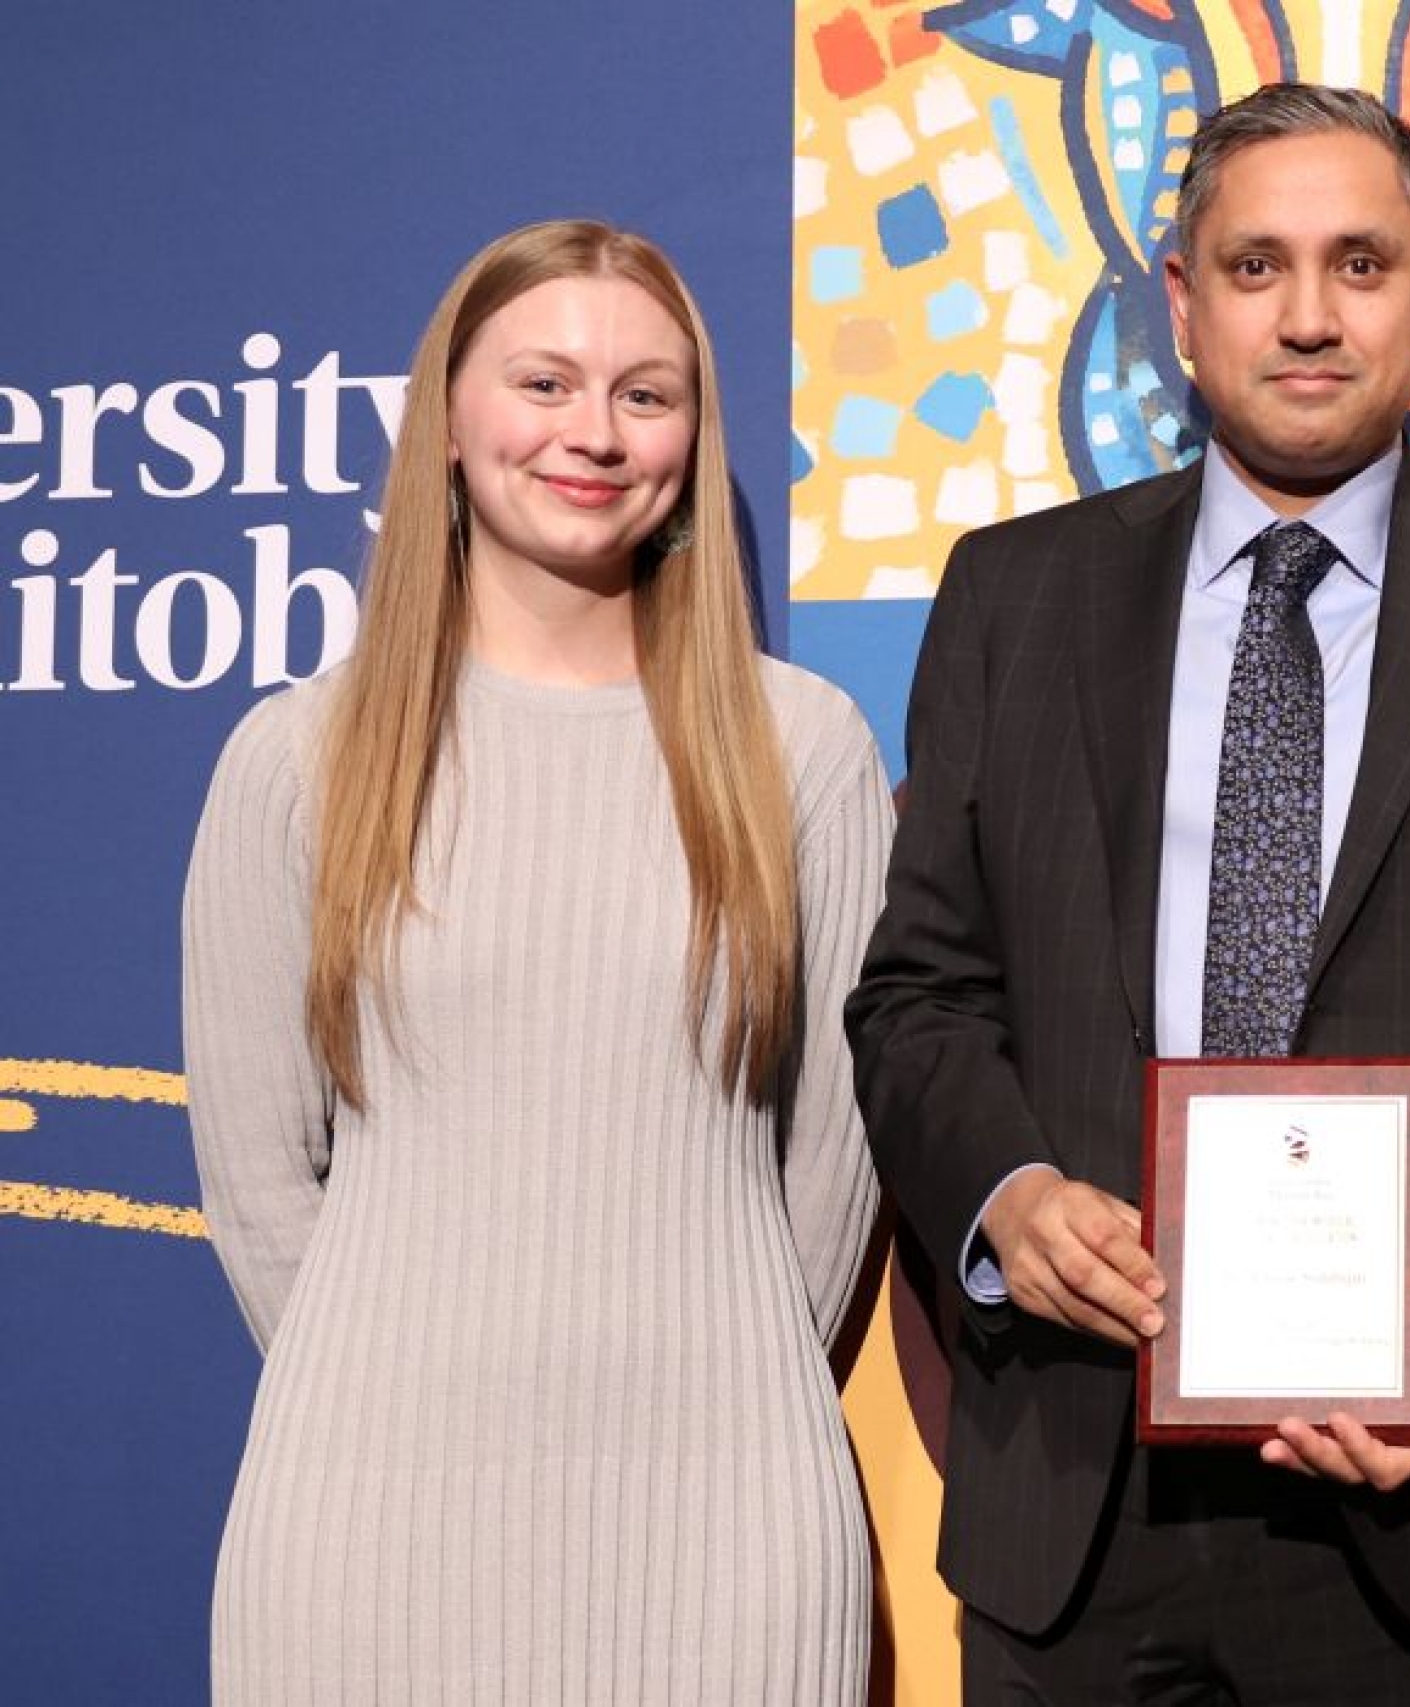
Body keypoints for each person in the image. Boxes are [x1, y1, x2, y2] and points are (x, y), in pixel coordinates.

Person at [848, 82, 1410, 1704]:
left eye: (1361, 264)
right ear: (1182, 305)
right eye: (1256, 266)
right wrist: (1007, 1196)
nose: (1311, 316)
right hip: (1081, 1507)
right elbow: (919, 996)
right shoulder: (1012, 596)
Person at [183, 219, 891, 1702]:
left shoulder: (803, 750)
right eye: (545, 382)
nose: (596, 433)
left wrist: (736, 1391)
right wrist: (385, 1397)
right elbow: (256, 1177)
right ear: (447, 420)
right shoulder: (298, 760)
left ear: (692, 437)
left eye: (646, 394)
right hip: (363, 1523)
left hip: (732, 1526)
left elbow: (837, 1163)